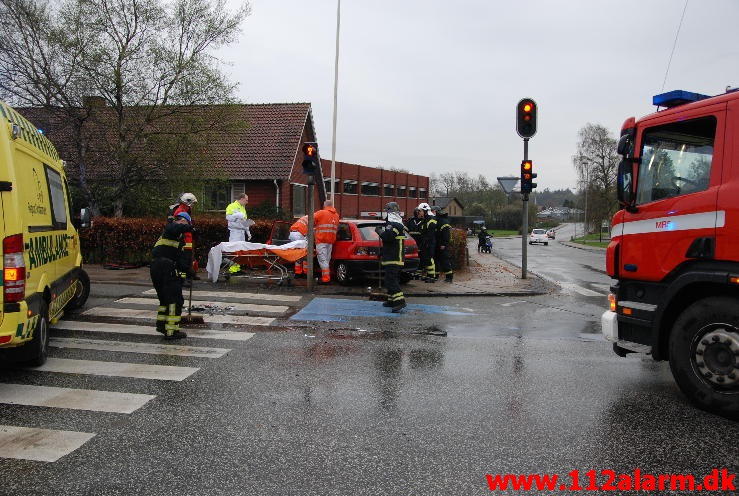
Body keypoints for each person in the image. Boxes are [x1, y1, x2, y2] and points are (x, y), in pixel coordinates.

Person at [150, 212, 193, 340]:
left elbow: (180, 259)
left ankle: (162, 325)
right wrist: (191, 227)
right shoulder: (171, 227)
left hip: (159, 267)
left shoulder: (176, 237)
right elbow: (176, 226)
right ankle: (172, 331)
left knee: (165, 299)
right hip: (164, 267)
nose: (185, 226)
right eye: (185, 222)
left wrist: (188, 271)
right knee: (175, 301)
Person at [377, 202, 407, 312]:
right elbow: (389, 243)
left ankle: (400, 301)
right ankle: (392, 300)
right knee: (389, 280)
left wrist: (379, 231)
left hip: (394, 258)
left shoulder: (395, 225)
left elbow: (388, 237)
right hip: (391, 256)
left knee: (391, 280)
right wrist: (382, 253)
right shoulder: (395, 223)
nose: (386, 213)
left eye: (387, 210)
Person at [167, 192, 197, 277]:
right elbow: (180, 227)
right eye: (192, 203)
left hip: (188, 239)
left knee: (188, 258)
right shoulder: (180, 211)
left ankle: (189, 274)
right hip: (184, 240)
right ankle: (184, 278)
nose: (193, 206)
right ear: (188, 202)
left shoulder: (185, 210)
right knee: (184, 260)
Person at [314, 200, 340, 283]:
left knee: (322, 260)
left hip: (321, 240)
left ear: (325, 205)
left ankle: (326, 279)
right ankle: (326, 277)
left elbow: (311, 220)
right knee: (327, 260)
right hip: (330, 241)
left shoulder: (321, 213)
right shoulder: (336, 215)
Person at [225, 194, 251, 274]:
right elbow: (228, 217)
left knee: (240, 251)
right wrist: (237, 216)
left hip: (241, 232)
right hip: (235, 232)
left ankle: (237, 268)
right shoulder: (232, 206)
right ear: (242, 199)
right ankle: (232, 269)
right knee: (234, 250)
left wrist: (248, 232)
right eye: (246, 200)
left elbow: (245, 222)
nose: (247, 202)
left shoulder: (243, 208)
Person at [417, 202, 436, 282]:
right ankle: (429, 276)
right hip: (425, 243)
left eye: (420, 211)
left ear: (425, 211)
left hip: (429, 243)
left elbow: (430, 234)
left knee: (429, 259)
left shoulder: (431, 220)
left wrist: (426, 243)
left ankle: (432, 277)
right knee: (425, 259)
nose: (419, 212)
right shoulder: (424, 220)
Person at [433, 206, 453, 283]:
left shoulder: (443, 221)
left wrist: (444, 244)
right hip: (436, 244)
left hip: (442, 245)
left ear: (436, 212)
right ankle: (436, 275)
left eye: (433, 211)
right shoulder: (436, 220)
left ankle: (449, 277)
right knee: (436, 261)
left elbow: (446, 235)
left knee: (445, 261)